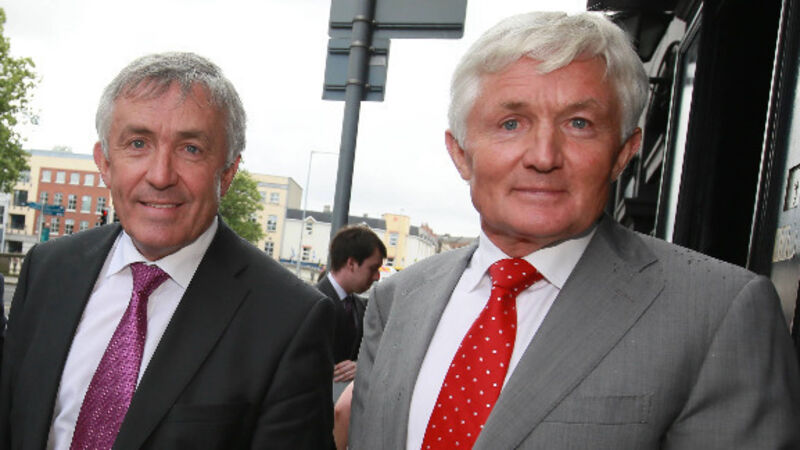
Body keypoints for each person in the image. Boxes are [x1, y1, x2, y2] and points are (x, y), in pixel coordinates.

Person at [349, 11, 800, 449]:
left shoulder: (717, 313)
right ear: (460, 153)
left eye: (579, 124)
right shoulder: (398, 301)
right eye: (511, 123)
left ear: (623, 153)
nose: (544, 156)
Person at [0, 52, 335, 450]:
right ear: (104, 162)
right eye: (138, 143)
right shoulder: (48, 270)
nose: (160, 175)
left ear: (227, 172)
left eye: (190, 149)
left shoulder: (289, 319)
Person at [316, 225, 386, 401]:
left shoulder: (363, 307)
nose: (377, 277)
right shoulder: (310, 304)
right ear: (351, 264)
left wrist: (361, 366)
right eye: (373, 268)